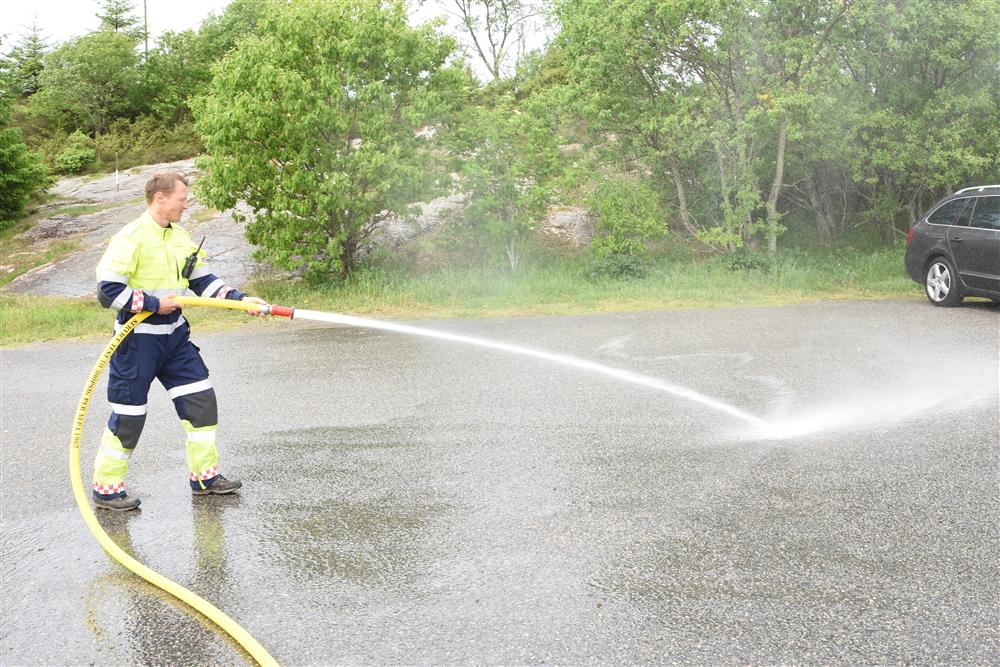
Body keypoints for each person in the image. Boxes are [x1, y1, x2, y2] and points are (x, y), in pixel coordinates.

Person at [91, 172, 267, 511]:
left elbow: (203, 280)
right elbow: (108, 291)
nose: (187, 205)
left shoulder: (181, 236)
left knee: (201, 402)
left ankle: (205, 477)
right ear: (160, 198)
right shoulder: (131, 237)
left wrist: (241, 300)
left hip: (175, 338)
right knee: (130, 416)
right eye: (182, 199)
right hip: (136, 340)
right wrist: (155, 304)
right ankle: (106, 487)